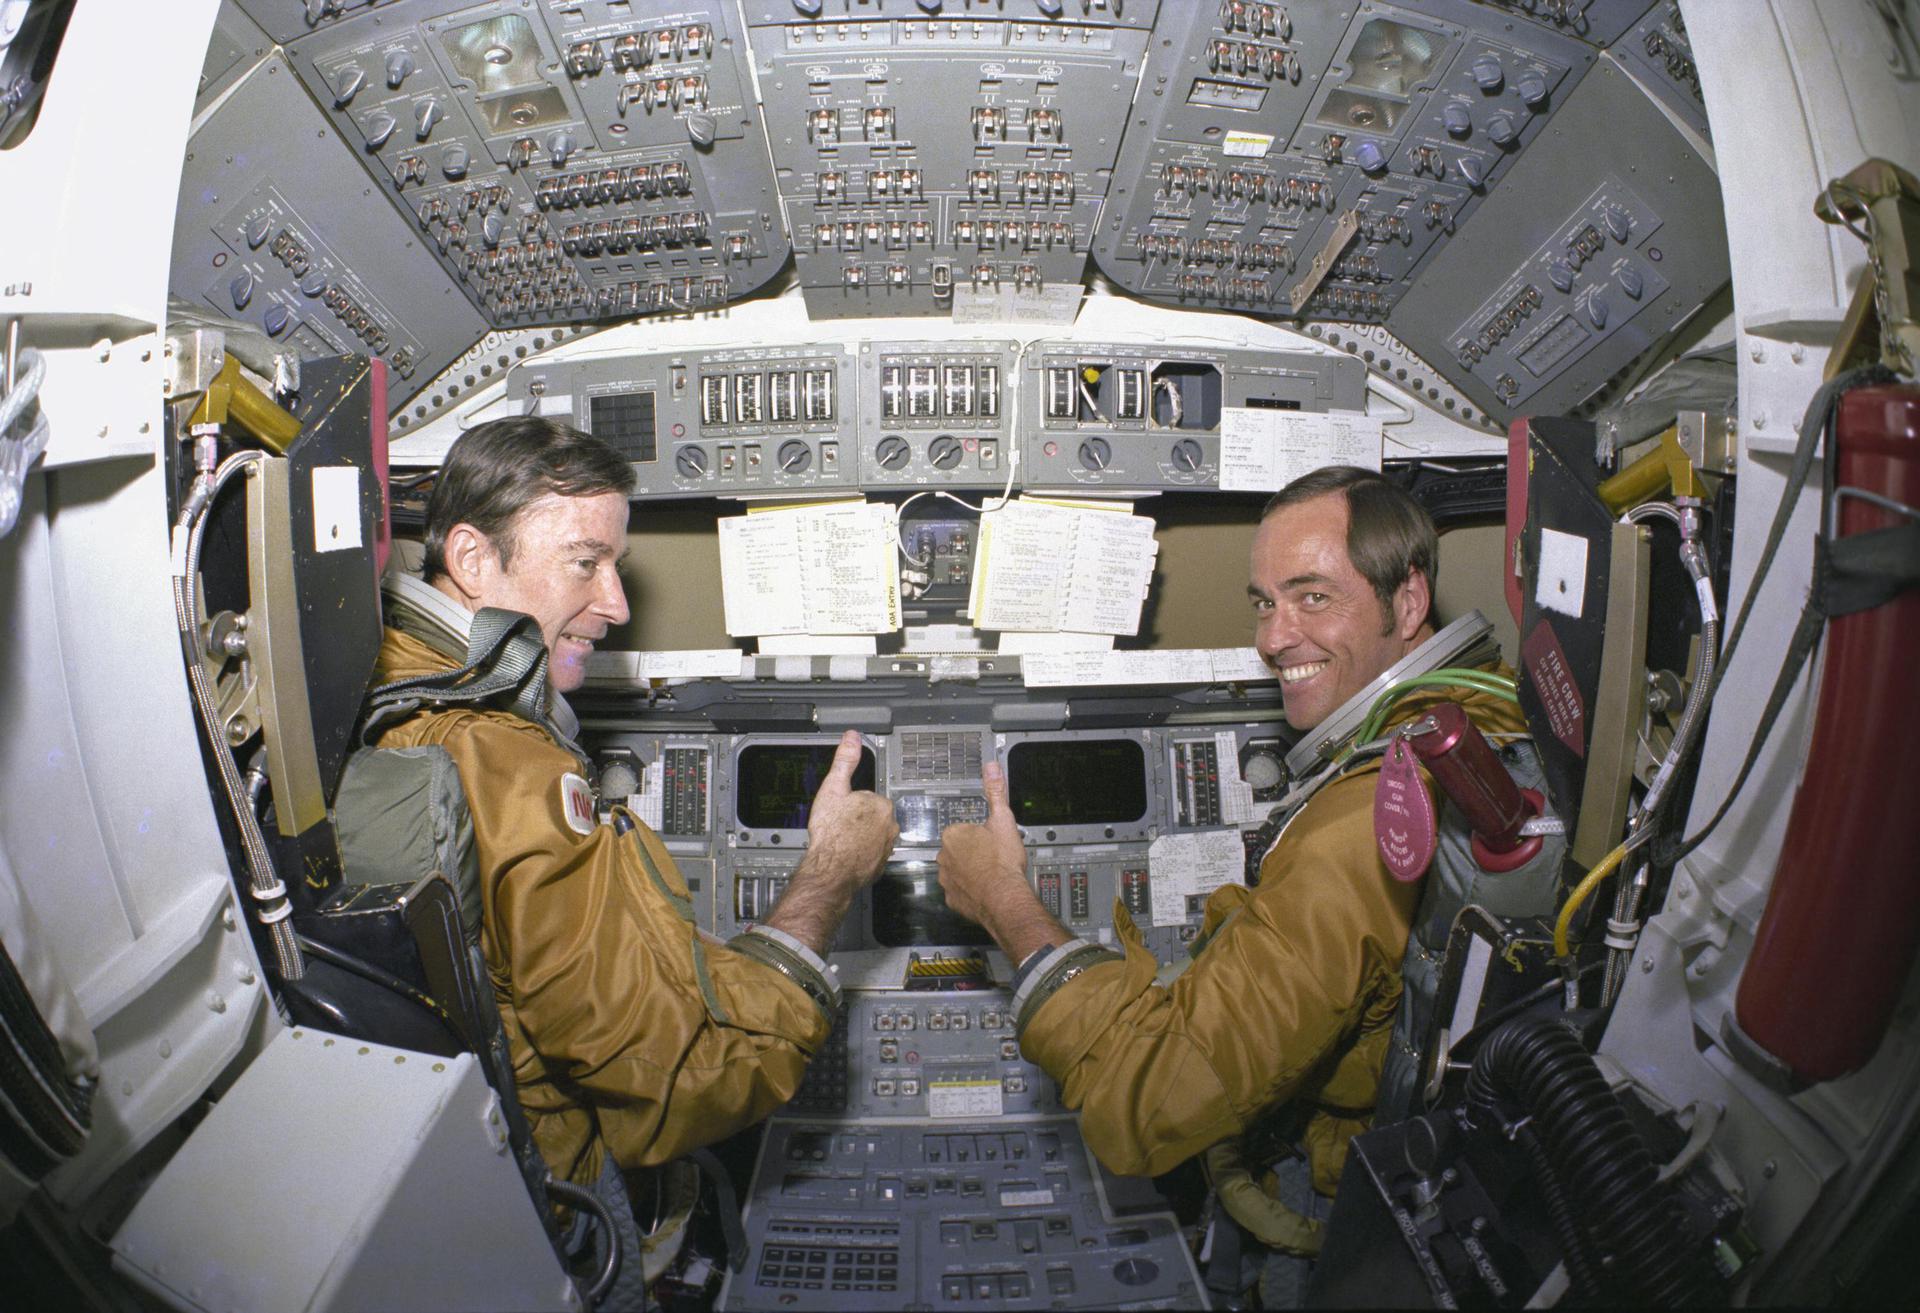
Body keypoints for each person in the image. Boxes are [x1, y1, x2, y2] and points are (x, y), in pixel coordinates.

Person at [938, 465, 1559, 1303]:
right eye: (1265, 602)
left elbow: (1147, 1098)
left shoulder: (1370, 817)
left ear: (1408, 600)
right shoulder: (1486, 714)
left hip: (1342, 1185)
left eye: (1312, 597)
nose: (1273, 638)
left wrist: (1003, 899)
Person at [367, 417, 898, 1293]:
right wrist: (830, 877)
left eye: (615, 566)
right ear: (470, 557)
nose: (615, 604)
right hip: (554, 1204)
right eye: (586, 562)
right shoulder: (510, 766)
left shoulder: (388, 693)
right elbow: (678, 1079)